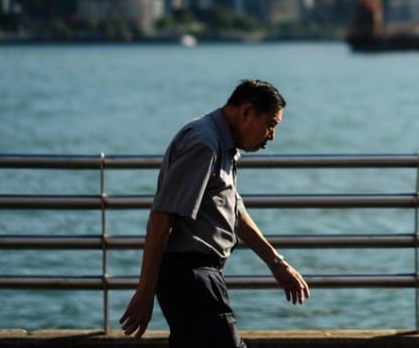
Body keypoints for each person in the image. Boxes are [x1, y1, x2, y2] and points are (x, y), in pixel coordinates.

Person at [120, 79, 310, 346]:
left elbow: (235, 212)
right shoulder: (204, 144)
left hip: (201, 273)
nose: (272, 135)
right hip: (189, 275)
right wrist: (144, 292)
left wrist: (276, 263)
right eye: (271, 124)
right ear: (246, 112)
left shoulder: (223, 145)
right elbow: (162, 218)